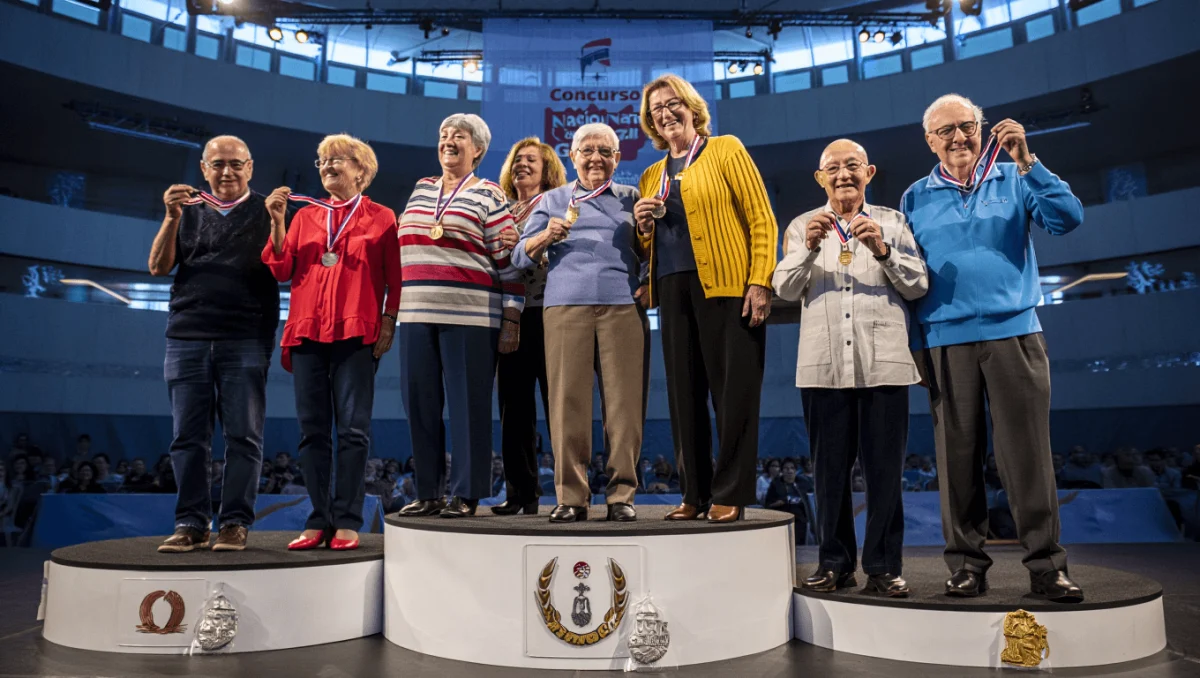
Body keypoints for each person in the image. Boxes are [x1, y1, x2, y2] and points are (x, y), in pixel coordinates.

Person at [904, 93, 1084, 602]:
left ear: (982, 127)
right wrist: (917, 348)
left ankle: (1047, 566)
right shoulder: (914, 197)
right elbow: (907, 279)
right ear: (929, 141)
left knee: (1027, 457)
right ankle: (966, 565)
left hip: (1015, 335)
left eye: (967, 126)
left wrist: (1028, 160)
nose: (958, 138)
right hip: (944, 343)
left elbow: (1067, 220)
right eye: (946, 131)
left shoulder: (1015, 176)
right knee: (956, 461)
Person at [774, 138, 928, 597]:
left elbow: (919, 284)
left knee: (884, 472)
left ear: (870, 172)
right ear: (820, 178)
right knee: (829, 473)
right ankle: (834, 563)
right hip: (823, 366)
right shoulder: (803, 225)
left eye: (852, 166)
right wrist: (808, 248)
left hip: (884, 364)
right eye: (833, 168)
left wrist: (882, 250)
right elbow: (783, 287)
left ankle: (883, 566)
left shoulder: (893, 222)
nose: (843, 174)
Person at [634, 74, 778, 523]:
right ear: (650, 121)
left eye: (672, 103)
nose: (665, 112)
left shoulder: (726, 149)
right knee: (683, 395)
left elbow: (761, 219)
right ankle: (693, 494)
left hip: (729, 287)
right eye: (656, 108)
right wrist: (641, 227)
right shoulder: (650, 175)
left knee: (733, 394)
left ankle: (730, 492)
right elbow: (648, 247)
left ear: (692, 107)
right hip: (673, 291)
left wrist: (760, 280)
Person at [262, 133, 399, 551]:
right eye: (321, 160)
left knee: (354, 431)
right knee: (312, 432)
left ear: (362, 169)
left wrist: (389, 321)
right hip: (307, 331)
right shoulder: (305, 216)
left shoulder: (382, 216)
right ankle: (317, 517)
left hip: (357, 332)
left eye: (337, 159)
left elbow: (396, 278)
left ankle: (347, 518)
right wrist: (277, 221)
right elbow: (280, 268)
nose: (326, 166)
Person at [513, 122, 648, 523]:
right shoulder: (552, 200)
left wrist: (645, 271)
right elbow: (519, 258)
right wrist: (544, 238)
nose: (596, 158)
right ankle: (572, 497)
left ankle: (621, 495)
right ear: (572, 157)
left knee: (624, 407)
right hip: (564, 307)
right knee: (566, 404)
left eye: (605, 152)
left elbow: (653, 248)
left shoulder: (631, 198)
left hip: (622, 306)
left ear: (617, 159)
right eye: (587, 150)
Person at [149, 135, 278, 554]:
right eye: (218, 164)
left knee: (244, 435)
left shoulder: (268, 209)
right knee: (188, 437)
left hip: (246, 335)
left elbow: (285, 265)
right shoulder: (184, 209)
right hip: (186, 335)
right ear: (204, 168)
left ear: (251, 167)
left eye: (236, 164)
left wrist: (279, 222)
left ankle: (235, 523)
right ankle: (190, 522)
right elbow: (157, 266)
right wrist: (169, 217)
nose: (227, 172)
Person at [395, 114, 524, 519]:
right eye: (444, 135)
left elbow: (507, 262)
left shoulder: (490, 194)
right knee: (420, 404)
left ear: (478, 150)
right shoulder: (421, 188)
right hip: (415, 313)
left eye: (460, 136)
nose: (449, 141)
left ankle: (467, 494)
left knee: (469, 406)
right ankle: (429, 491)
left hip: (471, 317)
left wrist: (512, 316)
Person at [493, 137, 568, 516]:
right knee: (513, 409)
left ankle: (569, 494)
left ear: (547, 168)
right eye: (517, 159)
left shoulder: (560, 204)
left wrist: (524, 245)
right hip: (510, 316)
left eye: (531, 160)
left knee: (559, 408)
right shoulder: (499, 209)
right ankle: (521, 493)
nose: (522, 164)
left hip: (551, 312)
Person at [764, 459, 814, 543]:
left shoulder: (803, 483)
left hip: (800, 520)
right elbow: (768, 505)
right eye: (786, 468)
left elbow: (811, 499)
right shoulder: (776, 484)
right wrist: (778, 503)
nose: (789, 471)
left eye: (792, 468)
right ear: (782, 471)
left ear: (795, 470)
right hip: (782, 519)